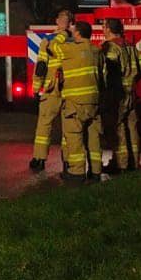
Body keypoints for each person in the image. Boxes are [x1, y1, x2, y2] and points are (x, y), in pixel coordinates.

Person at [58, 21, 108, 183]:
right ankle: (95, 172)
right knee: (94, 138)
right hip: (93, 103)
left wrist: (62, 33)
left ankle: (77, 174)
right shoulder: (97, 51)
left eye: (74, 31)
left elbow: (51, 47)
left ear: (78, 33)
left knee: (74, 137)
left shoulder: (70, 49)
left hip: (75, 103)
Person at [28, 9, 73, 173]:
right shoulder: (75, 41)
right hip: (70, 89)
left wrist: (35, 88)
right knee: (69, 127)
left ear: (57, 22)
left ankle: (39, 159)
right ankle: (68, 162)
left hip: (51, 89)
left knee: (44, 124)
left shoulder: (47, 40)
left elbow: (41, 66)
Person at [101, 18, 141, 174]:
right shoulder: (129, 46)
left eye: (104, 27)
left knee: (117, 128)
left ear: (107, 29)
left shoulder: (111, 47)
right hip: (131, 93)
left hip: (117, 94)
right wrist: (133, 80)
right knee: (132, 127)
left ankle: (120, 164)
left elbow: (108, 70)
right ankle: (134, 162)